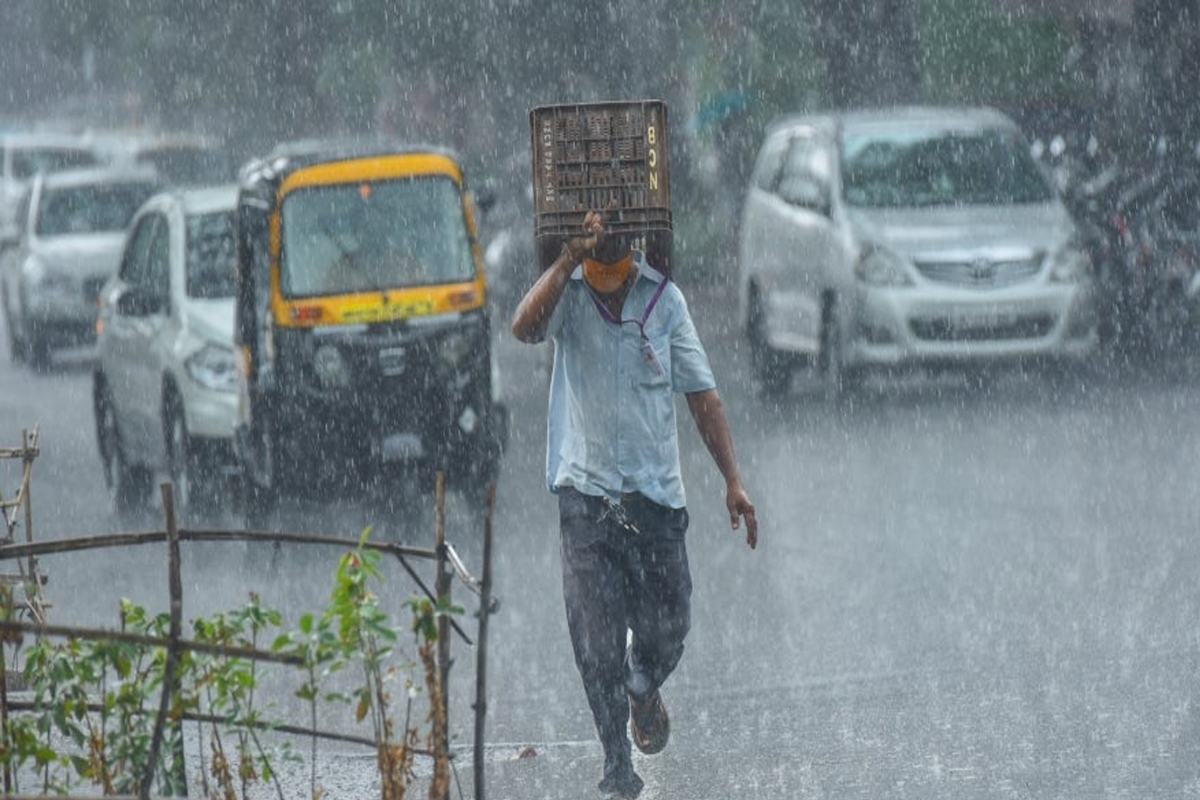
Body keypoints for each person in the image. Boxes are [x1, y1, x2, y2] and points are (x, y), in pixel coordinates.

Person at [510, 209, 758, 799]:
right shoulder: (566, 296)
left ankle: (642, 686)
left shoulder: (664, 303)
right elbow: (522, 327)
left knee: (670, 625)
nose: (603, 232)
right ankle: (618, 768)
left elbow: (704, 397)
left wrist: (733, 480)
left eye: (611, 224)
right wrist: (567, 257)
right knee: (595, 646)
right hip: (586, 501)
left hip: (654, 502)